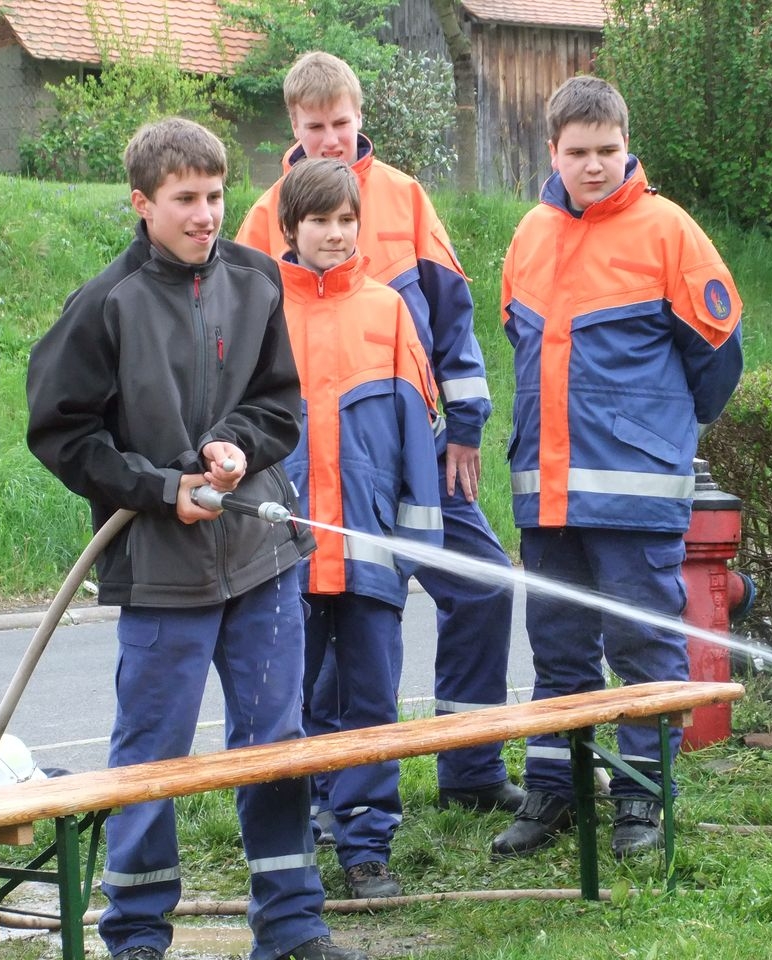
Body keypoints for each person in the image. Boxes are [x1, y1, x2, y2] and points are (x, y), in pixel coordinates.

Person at [25, 117, 366, 960]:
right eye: (185, 199)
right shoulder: (105, 304)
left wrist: (238, 446)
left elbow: (280, 405)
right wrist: (161, 490)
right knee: (152, 755)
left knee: (273, 746)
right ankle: (137, 935)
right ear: (142, 204)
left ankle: (292, 928)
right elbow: (62, 434)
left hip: (262, 560)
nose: (206, 215)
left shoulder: (256, 279)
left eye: (215, 196)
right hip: (159, 569)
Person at [235, 52, 523, 819]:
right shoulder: (263, 217)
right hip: (311, 467)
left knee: (485, 585)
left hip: (416, 455)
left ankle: (471, 767)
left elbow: (453, 320)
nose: (330, 138)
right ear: (293, 125)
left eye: (341, 122)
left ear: (359, 117)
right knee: (333, 616)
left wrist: (465, 427)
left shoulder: (405, 198)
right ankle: (331, 791)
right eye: (314, 126)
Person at [492, 76, 744, 861]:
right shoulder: (530, 235)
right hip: (548, 494)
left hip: (635, 495)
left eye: (607, 149)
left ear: (627, 145)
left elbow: (718, 359)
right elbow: (521, 346)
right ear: (552, 152)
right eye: (578, 152)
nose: (594, 165)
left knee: (642, 647)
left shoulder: (669, 231)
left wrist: (657, 436)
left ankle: (640, 799)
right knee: (557, 649)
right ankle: (555, 791)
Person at [275, 158, 444, 899]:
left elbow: (420, 436)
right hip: (283, 557)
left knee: (372, 701)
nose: (337, 234)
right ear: (291, 227)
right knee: (288, 701)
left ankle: (367, 846)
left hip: (371, 550)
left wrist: (413, 546)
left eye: (348, 220)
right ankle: (294, 834)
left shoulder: (389, 310)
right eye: (320, 220)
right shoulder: (260, 309)